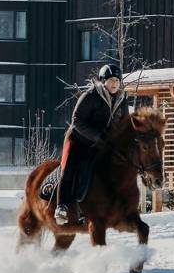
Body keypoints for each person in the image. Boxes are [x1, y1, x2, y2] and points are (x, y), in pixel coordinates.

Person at [54, 65, 126, 226]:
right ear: (103, 81)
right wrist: (98, 136)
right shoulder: (91, 95)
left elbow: (125, 123)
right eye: (111, 80)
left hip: (102, 143)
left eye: (117, 80)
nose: (115, 84)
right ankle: (61, 207)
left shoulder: (122, 99)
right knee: (70, 168)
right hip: (79, 140)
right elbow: (76, 120)